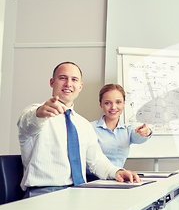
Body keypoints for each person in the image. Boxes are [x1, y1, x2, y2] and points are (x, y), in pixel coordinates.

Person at [18, 62, 141, 198]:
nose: (68, 84)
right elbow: (27, 124)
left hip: (79, 192)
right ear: (52, 82)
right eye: (63, 78)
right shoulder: (35, 112)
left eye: (74, 79)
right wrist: (39, 114)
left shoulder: (84, 124)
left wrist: (117, 171)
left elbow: (97, 162)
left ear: (80, 86)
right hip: (44, 193)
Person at [91, 84, 152, 168]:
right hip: (94, 179)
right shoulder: (90, 128)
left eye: (118, 102)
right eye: (107, 103)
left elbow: (139, 138)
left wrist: (146, 132)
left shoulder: (128, 130)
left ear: (123, 104)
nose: (113, 107)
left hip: (117, 178)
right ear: (101, 104)